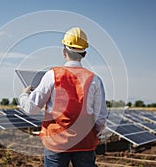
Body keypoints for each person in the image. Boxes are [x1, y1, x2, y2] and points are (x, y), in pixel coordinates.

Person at [19, 27, 108, 167]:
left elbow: (32, 108)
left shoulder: (52, 75)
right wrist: (91, 134)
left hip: (56, 143)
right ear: (84, 54)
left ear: (64, 51)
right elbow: (101, 117)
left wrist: (24, 95)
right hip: (85, 143)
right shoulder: (95, 80)